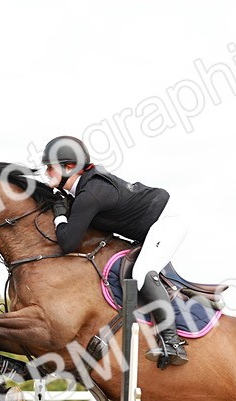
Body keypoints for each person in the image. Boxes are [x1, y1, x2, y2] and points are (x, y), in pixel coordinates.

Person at [41, 135, 189, 368]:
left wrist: (60, 215)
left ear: (70, 167)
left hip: (169, 220)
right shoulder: (84, 187)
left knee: (141, 273)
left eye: (50, 167)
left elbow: (68, 243)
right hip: (152, 223)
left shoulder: (90, 194)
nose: (46, 172)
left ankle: (172, 343)